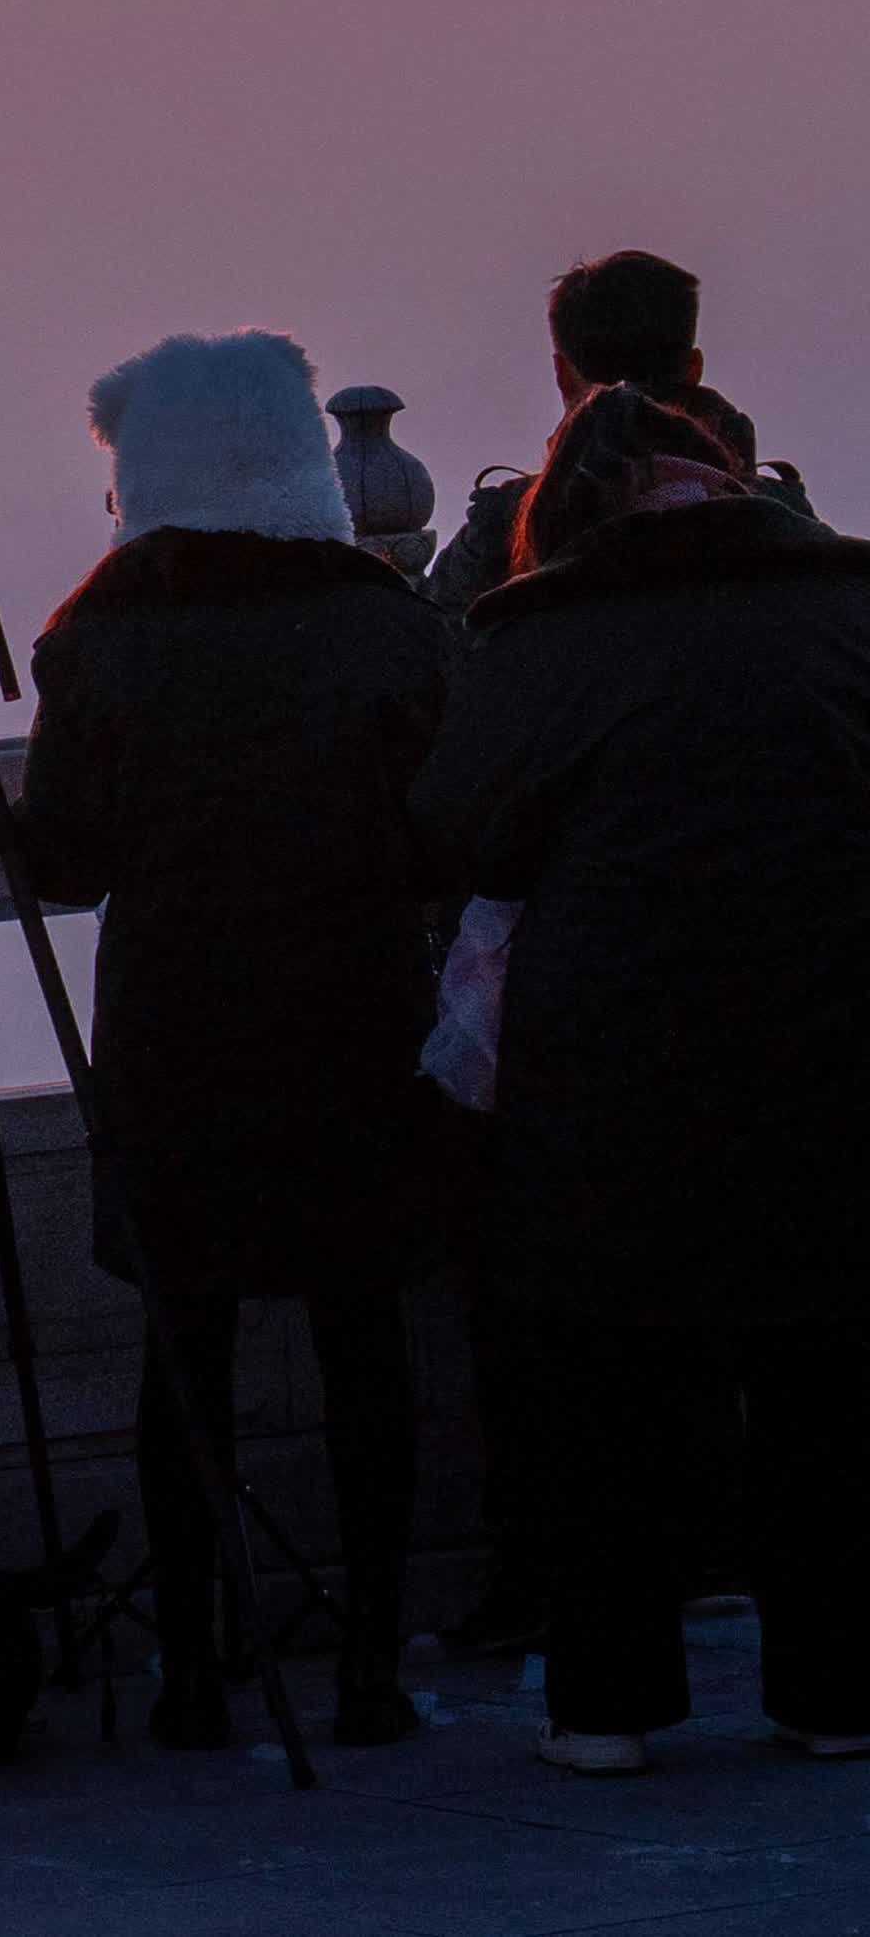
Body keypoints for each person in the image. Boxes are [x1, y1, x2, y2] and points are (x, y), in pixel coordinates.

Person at [9, 330, 456, 1750]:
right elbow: (446, 827)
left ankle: (195, 1671)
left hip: (176, 1040)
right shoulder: (386, 621)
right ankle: (375, 1662)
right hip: (358, 1024)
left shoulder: (100, 635)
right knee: (363, 1343)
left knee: (182, 1355)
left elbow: (64, 863)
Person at [414, 384, 870, 1776]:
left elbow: (458, 828)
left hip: (615, 1058)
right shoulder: (845, 611)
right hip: (832, 1037)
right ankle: (839, 1682)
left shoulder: (547, 638)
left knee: (604, 1375)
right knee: (827, 1370)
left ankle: (610, 1699)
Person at [424, 249, 821, 615]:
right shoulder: (786, 522)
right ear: (693, 368)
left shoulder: (506, 531)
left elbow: (435, 648)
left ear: (562, 374)